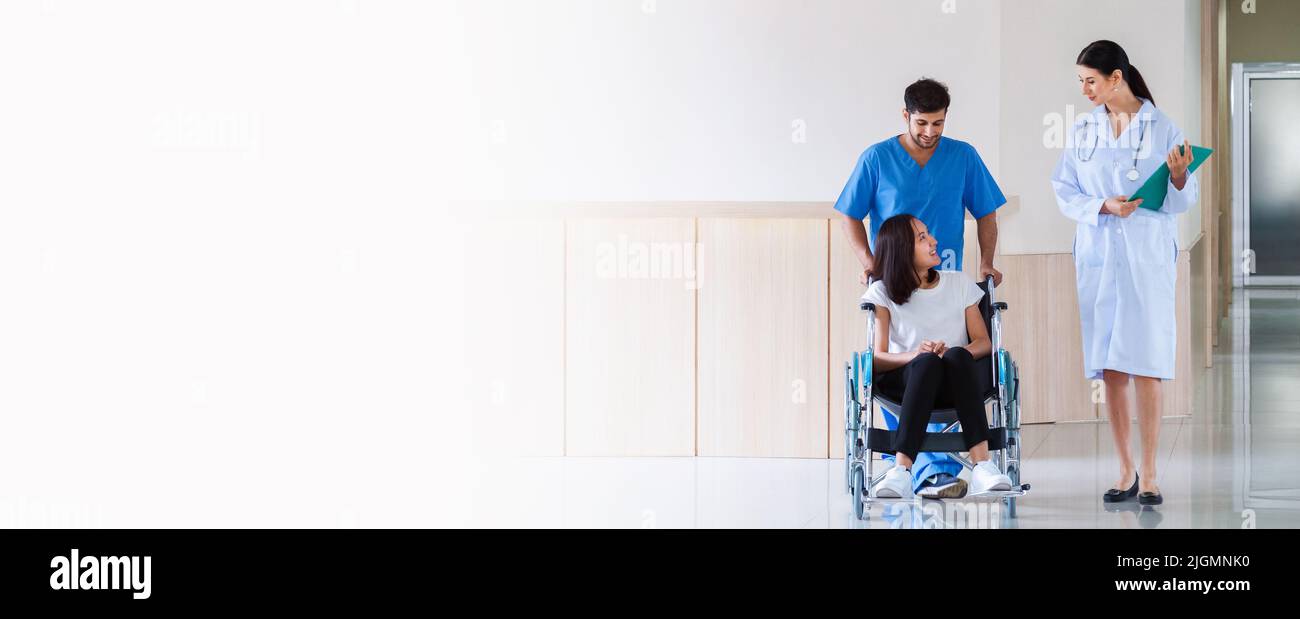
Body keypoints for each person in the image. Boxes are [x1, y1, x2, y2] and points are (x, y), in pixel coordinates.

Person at [835, 77, 1007, 498]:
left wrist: (985, 261)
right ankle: (928, 472)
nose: (930, 133)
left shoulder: (963, 157)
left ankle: (940, 471)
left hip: (944, 278)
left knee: (950, 357)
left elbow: (985, 212)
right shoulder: (877, 158)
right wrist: (871, 264)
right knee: (918, 360)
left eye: (938, 124)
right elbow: (849, 216)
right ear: (905, 116)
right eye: (922, 123)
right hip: (897, 282)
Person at [1051, 40, 1199, 506]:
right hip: (1100, 252)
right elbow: (1063, 188)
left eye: (1090, 80)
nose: (1084, 89)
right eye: (1081, 81)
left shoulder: (1162, 126)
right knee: (1111, 366)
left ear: (1117, 77)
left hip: (1146, 255)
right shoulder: (1084, 130)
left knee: (1147, 363)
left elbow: (1182, 195)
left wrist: (1178, 178)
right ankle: (1124, 469)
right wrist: (1102, 205)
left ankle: (1151, 473)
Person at [860, 214, 1013, 500]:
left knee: (955, 356)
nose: (934, 241)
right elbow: (877, 357)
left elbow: (983, 343)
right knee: (927, 362)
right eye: (922, 238)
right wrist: (914, 354)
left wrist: (953, 352)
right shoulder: (881, 293)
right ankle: (902, 472)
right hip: (908, 384)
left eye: (928, 234)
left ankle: (983, 467)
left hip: (958, 380)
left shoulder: (958, 283)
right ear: (902, 249)